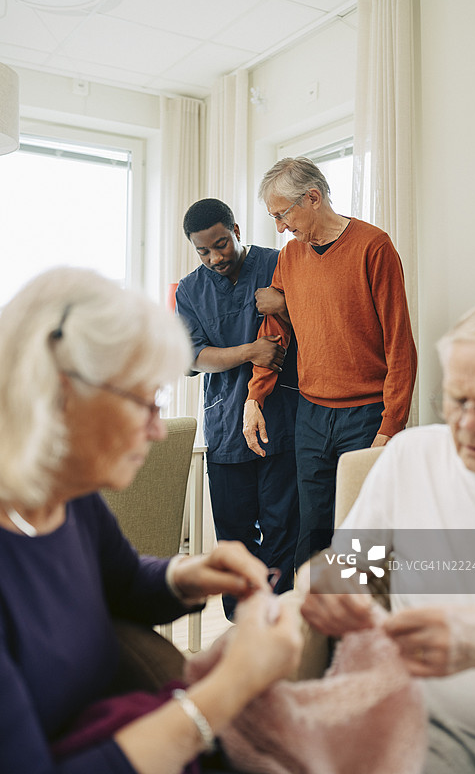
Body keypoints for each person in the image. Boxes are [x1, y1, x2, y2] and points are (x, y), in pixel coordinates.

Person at [0, 266, 302, 774]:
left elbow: (120, 583)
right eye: (146, 402)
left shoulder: (68, 501)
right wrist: (231, 687)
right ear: (62, 392)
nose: (160, 430)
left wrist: (189, 574)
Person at [301, 296, 475, 773]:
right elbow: (348, 567)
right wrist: (322, 584)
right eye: (457, 400)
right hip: (427, 734)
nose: (468, 425)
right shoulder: (412, 458)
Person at [243, 157, 417, 567]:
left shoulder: (374, 246)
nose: (281, 228)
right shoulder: (290, 257)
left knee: (364, 532)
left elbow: (399, 344)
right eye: (275, 218)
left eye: (282, 215)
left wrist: (390, 426)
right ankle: (317, 624)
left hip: (367, 414)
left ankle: (363, 628)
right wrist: (254, 398)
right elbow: (274, 333)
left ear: (313, 198)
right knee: (315, 530)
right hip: (312, 415)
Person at [176, 198, 299, 618]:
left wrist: (283, 306)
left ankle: (277, 618)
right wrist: (252, 351)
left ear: (237, 230)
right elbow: (195, 357)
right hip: (226, 424)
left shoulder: (278, 263)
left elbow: (307, 319)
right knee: (235, 535)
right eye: (203, 251)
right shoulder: (191, 289)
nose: (214, 257)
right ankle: (243, 620)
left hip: (280, 418)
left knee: (284, 527)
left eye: (221, 244)